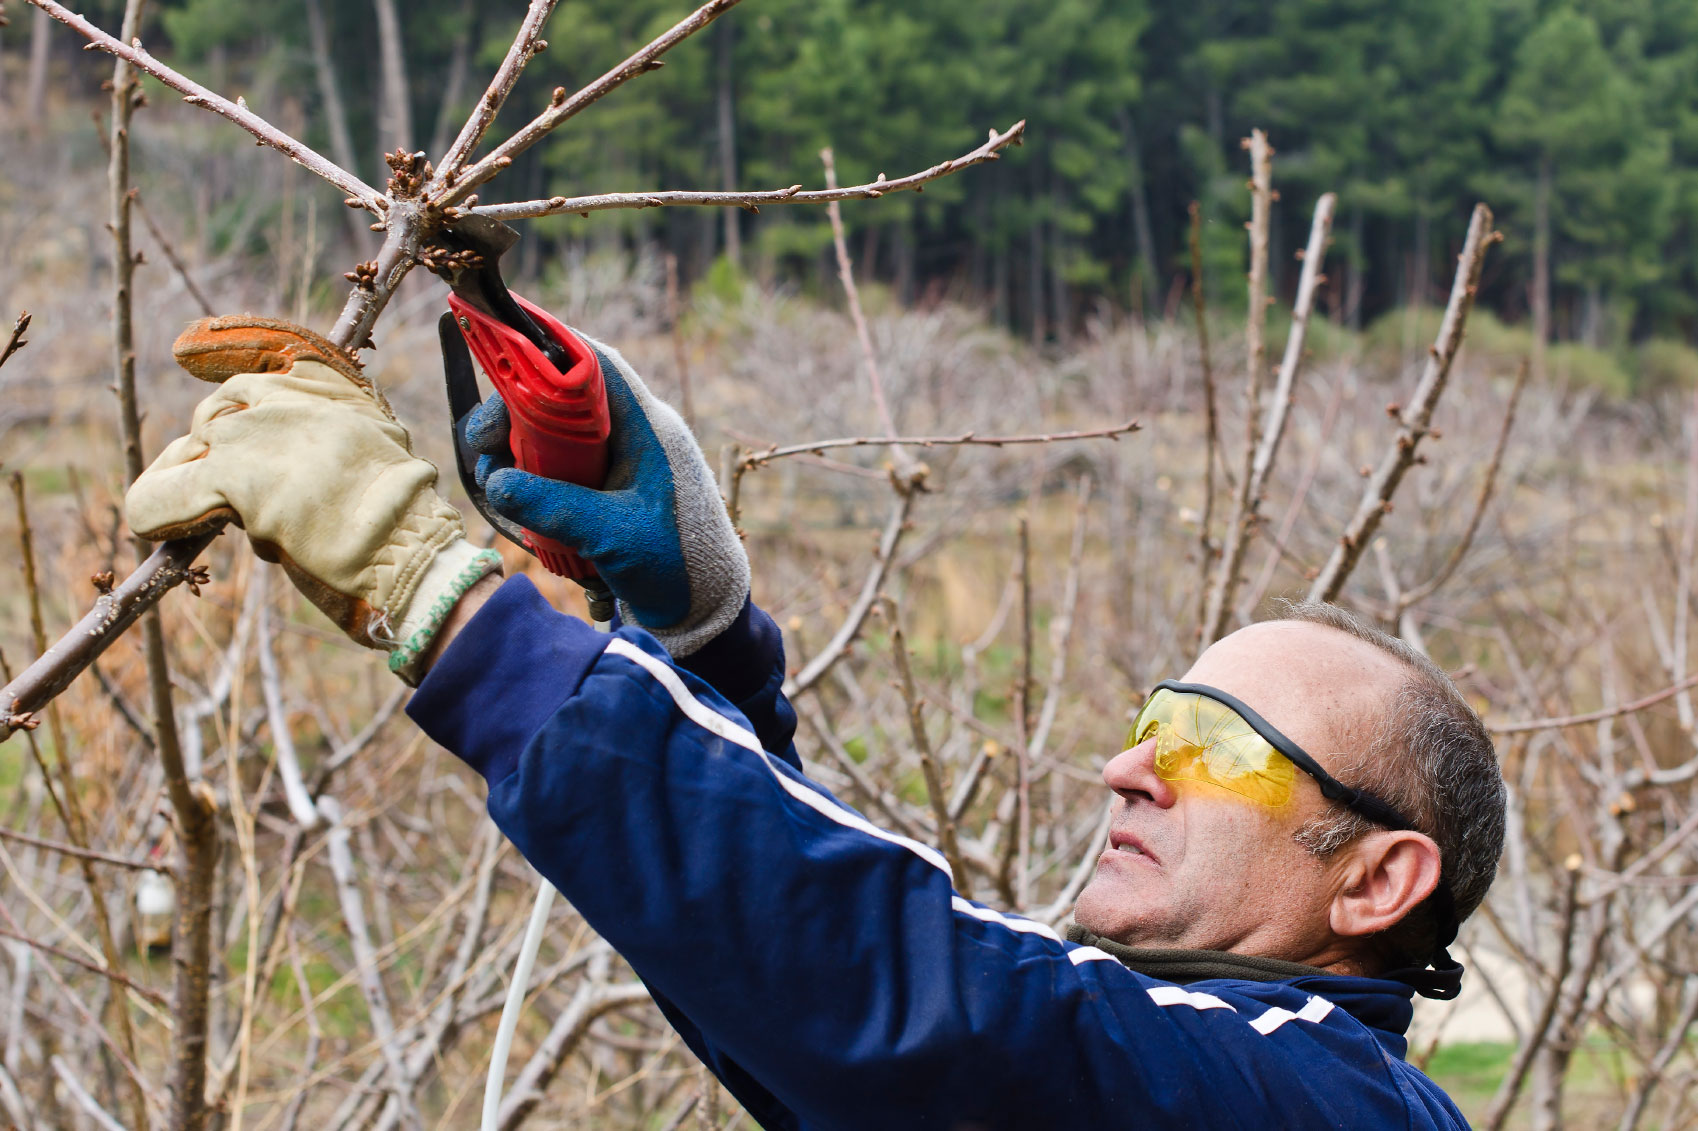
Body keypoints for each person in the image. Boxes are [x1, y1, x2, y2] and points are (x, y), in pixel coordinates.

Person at [128, 313, 1507, 1130]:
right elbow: (813, 993)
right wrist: (697, 636)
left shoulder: (1322, 1107)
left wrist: (439, 596)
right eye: (1153, 718)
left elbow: (913, 998)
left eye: (1211, 748)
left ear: (1378, 876)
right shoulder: (1190, 1068)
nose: (1125, 767)